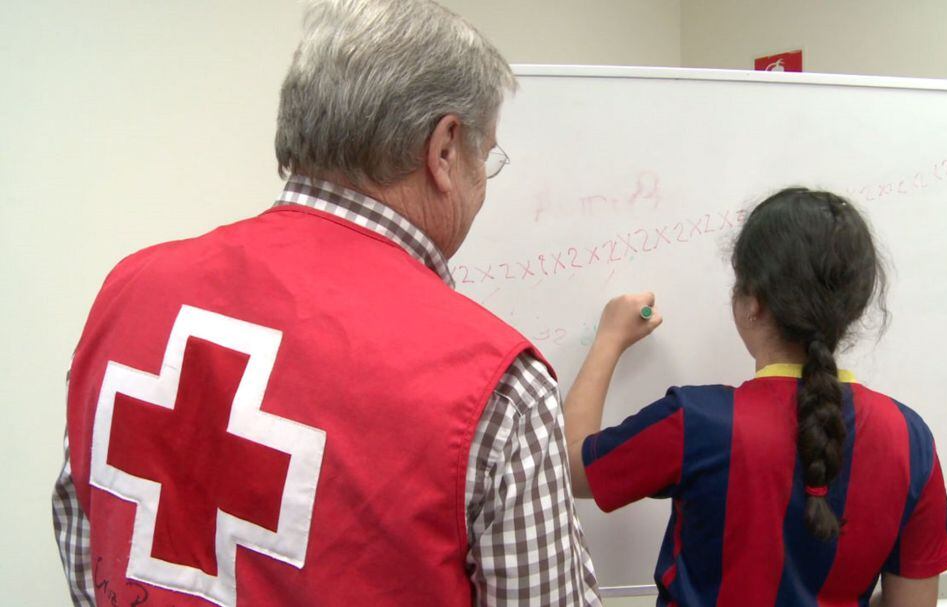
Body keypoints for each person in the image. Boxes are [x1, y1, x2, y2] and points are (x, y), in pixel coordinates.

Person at [51, 1, 601, 605]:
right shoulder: (498, 388)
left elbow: (85, 531)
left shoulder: (131, 290)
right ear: (444, 150)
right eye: (485, 157)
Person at [564, 188, 947, 606]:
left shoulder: (696, 422)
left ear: (752, 303)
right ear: (854, 307)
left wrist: (608, 339)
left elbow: (569, 467)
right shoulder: (910, 439)